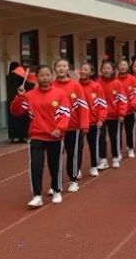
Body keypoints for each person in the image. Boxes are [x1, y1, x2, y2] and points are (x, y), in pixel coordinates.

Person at [9, 65, 71, 207]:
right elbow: (16, 111)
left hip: (54, 136)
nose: (45, 78)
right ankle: (37, 195)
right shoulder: (29, 95)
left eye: (47, 75)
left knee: (54, 165)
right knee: (36, 166)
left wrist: (60, 129)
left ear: (51, 76)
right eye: (42, 75)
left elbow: (65, 114)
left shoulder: (60, 94)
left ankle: (56, 190)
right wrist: (19, 96)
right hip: (36, 136)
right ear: (37, 77)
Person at [53, 59, 89, 193]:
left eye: (64, 66)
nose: (61, 68)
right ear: (55, 69)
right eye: (59, 66)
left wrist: (84, 125)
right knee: (56, 155)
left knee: (73, 154)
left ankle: (73, 179)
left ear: (68, 69)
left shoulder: (76, 86)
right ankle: (56, 182)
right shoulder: (51, 86)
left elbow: (83, 106)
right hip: (56, 128)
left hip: (74, 127)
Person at [6, 62, 30, 143]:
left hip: (11, 101)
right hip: (20, 99)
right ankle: (23, 136)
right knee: (22, 119)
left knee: (12, 119)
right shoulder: (21, 76)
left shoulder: (9, 76)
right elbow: (26, 86)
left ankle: (12, 136)